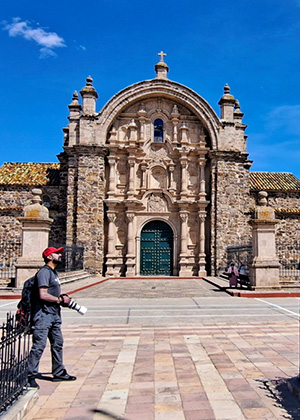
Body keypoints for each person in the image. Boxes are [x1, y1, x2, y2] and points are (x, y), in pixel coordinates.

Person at [27, 246, 77, 388]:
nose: (60, 255)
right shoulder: (44, 272)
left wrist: (62, 298)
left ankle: (58, 371)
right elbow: (43, 294)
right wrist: (59, 300)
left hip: (54, 314)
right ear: (49, 257)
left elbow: (52, 293)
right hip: (43, 315)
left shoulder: (53, 273)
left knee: (58, 343)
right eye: (57, 253)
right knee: (39, 346)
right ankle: (30, 376)